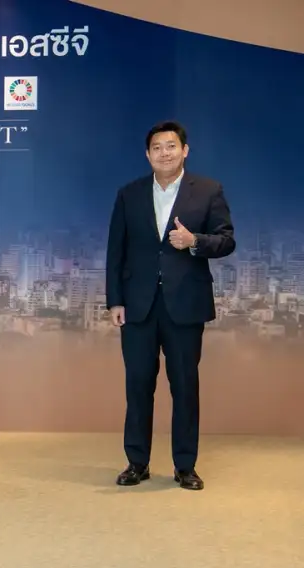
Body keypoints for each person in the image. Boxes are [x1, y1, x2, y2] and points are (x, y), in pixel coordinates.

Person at [105, 121, 235, 491]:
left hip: (186, 304)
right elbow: (116, 251)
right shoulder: (129, 194)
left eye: (171, 146)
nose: (165, 153)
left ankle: (185, 466)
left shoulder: (208, 190)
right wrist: (115, 300)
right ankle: (137, 462)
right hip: (137, 306)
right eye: (157, 147)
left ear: (185, 150)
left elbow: (227, 241)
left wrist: (195, 241)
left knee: (185, 386)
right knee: (138, 385)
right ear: (148, 155)